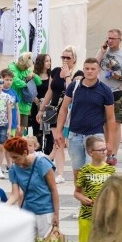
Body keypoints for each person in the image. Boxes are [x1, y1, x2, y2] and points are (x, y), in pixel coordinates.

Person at [54, 58, 115, 184]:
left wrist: (110, 142)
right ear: (83, 69)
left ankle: (92, 199)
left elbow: (110, 118)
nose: (89, 71)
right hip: (75, 134)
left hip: (95, 136)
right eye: (87, 68)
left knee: (91, 169)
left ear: (98, 70)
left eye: (93, 69)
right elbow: (63, 109)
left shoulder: (105, 90)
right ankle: (81, 197)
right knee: (77, 171)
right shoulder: (74, 87)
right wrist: (59, 132)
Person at [37, 46, 82, 184]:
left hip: (68, 111)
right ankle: (58, 172)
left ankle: (44, 162)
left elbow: (72, 91)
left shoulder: (78, 74)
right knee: (58, 141)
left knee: (60, 142)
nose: (65, 60)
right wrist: (41, 109)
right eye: (63, 57)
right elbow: (50, 91)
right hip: (54, 110)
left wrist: (68, 75)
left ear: (74, 59)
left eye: (68, 57)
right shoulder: (56, 71)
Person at [96, 28, 122, 166]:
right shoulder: (104, 52)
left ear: (120, 40)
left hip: (118, 91)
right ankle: (106, 151)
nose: (110, 41)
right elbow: (94, 65)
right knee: (104, 124)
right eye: (108, 38)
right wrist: (102, 50)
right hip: (103, 91)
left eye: (113, 38)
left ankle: (113, 153)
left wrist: (119, 76)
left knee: (115, 123)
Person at [5, 137, 60, 240]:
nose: (13, 160)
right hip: (27, 211)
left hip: (45, 211)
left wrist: (56, 214)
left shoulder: (41, 162)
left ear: (25, 153)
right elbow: (15, 194)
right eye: (11, 157)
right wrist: (4, 207)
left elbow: (54, 189)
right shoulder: (13, 169)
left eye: (15, 157)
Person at [74, 136, 116, 242]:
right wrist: (83, 198)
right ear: (90, 152)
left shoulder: (110, 170)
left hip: (105, 216)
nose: (103, 152)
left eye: (105, 149)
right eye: (100, 150)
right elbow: (77, 192)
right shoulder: (84, 170)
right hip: (87, 215)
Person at [7, 52, 41, 137]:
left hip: (25, 106)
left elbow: (39, 82)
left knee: (21, 132)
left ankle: (18, 149)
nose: (26, 69)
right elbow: (16, 81)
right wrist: (27, 84)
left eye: (27, 67)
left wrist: (33, 75)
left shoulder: (27, 70)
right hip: (14, 104)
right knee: (12, 131)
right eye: (25, 67)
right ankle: (11, 149)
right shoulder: (12, 67)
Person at [30, 53, 52, 139]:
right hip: (36, 106)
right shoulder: (34, 76)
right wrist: (35, 100)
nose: (49, 63)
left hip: (49, 107)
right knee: (37, 133)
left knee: (49, 134)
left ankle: (48, 152)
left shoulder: (51, 76)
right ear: (40, 62)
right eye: (46, 61)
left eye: (49, 61)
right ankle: (37, 151)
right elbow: (29, 90)